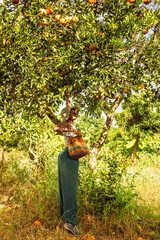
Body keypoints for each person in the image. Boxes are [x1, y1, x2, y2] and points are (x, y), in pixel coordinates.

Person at [53, 93, 82, 236]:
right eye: (72, 111)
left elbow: (68, 106)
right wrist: (70, 130)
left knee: (68, 187)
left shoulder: (72, 123)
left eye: (74, 111)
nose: (74, 112)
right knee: (69, 188)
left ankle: (66, 218)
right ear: (67, 114)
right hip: (67, 155)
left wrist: (68, 95)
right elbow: (56, 128)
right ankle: (70, 222)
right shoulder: (66, 124)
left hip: (70, 156)